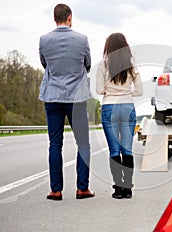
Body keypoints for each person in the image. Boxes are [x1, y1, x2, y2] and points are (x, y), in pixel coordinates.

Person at [39, 3, 94, 200]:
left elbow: (45, 63)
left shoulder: (44, 40)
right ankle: (82, 188)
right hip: (76, 98)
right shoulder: (82, 39)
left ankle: (56, 190)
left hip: (52, 95)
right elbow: (87, 64)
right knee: (83, 143)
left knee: (55, 144)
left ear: (55, 18)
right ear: (70, 17)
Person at [96, 33, 143, 199]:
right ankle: (128, 188)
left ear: (108, 47)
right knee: (127, 149)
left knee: (114, 150)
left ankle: (118, 188)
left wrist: (111, 91)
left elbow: (99, 90)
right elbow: (140, 90)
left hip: (109, 107)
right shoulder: (131, 65)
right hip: (127, 107)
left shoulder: (103, 64)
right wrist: (126, 92)